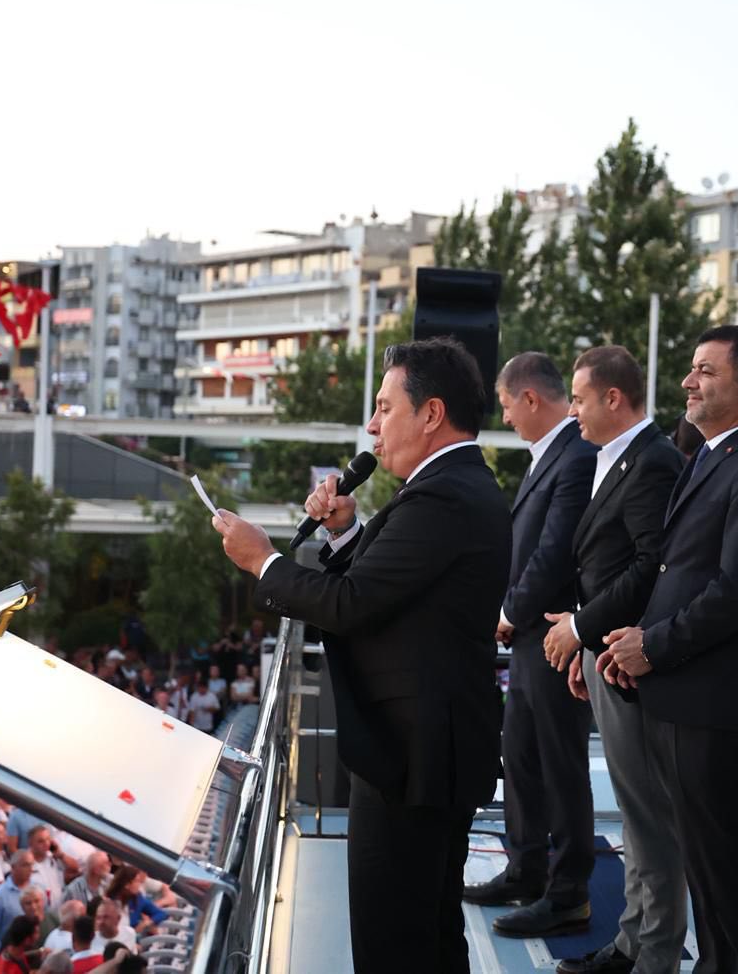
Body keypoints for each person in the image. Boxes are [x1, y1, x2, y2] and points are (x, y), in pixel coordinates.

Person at [211, 336, 512, 974]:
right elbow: (391, 590)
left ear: (430, 414)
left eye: (383, 407)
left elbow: (351, 604)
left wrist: (261, 559)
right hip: (426, 750)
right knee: (428, 930)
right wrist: (345, 530)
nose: (372, 427)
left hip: (414, 756)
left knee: (393, 940)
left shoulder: (444, 495)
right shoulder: (452, 486)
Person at [596, 325, 738, 974]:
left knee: (730, 874)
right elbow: (676, 574)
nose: (688, 381)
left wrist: (651, 647)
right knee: (708, 877)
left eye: (705, 371)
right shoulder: (712, 456)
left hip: (716, 710)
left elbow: (736, 592)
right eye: (690, 368)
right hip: (683, 701)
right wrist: (631, 644)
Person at [543, 345, 687, 974]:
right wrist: (589, 641)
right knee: (633, 811)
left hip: (632, 660)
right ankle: (631, 943)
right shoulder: (614, 459)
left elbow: (648, 565)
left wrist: (583, 628)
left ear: (612, 398)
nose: (571, 411)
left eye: (578, 398)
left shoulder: (650, 460)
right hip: (609, 653)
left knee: (650, 818)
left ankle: (653, 955)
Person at [464, 352, 597, 938]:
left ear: (530, 400)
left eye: (506, 406)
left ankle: (568, 892)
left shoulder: (576, 457)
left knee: (559, 765)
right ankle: (526, 867)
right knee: (519, 754)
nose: (506, 419)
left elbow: (554, 553)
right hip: (530, 638)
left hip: (553, 633)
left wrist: (509, 613)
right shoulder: (555, 455)